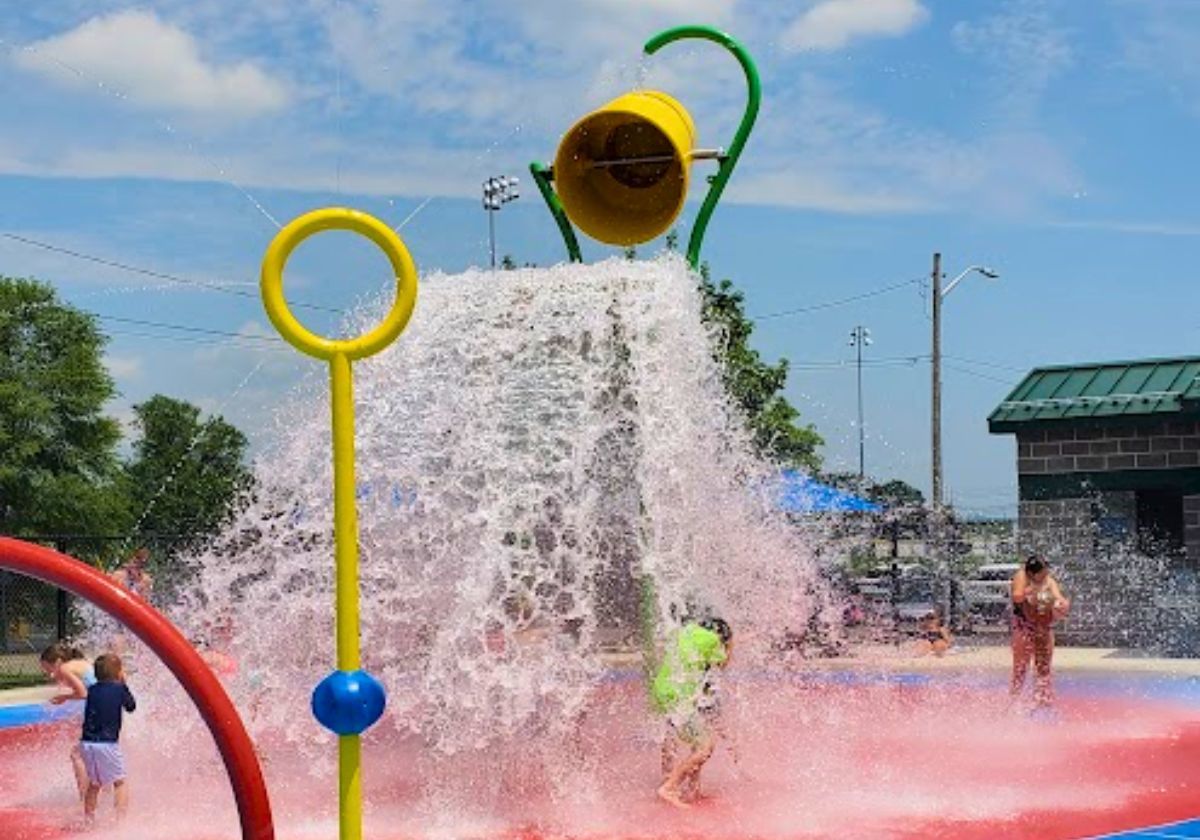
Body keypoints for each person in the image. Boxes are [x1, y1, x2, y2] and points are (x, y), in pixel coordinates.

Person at [653, 616, 733, 809]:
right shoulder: (713, 640)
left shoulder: (687, 631)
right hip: (678, 696)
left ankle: (692, 788)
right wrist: (732, 644)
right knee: (705, 746)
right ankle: (669, 787)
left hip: (663, 692)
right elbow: (722, 663)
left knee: (695, 739)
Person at [79, 653, 136, 827]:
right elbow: (131, 707)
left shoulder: (92, 690)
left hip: (87, 743)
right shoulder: (120, 688)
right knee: (120, 782)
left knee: (94, 783)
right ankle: (120, 822)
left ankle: (88, 820)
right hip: (107, 744)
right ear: (119, 672)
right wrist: (124, 683)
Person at [1010, 555, 1070, 709]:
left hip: (1043, 626)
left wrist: (1061, 604)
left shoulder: (1048, 580)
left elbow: (1059, 598)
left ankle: (1043, 699)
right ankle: (1014, 700)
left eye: (1046, 573)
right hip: (1024, 626)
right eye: (1041, 575)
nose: (1045, 577)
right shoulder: (1022, 576)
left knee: (1043, 666)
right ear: (1031, 574)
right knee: (1021, 667)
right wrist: (1034, 592)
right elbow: (1017, 596)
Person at [39, 643, 95, 801]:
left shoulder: (65, 668)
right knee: (97, 752)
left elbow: (83, 693)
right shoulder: (81, 663)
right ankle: (103, 792)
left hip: (101, 710)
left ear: (58, 662)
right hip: (111, 707)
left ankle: (84, 797)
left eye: (49, 669)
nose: (50, 675)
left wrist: (65, 697)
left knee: (77, 755)